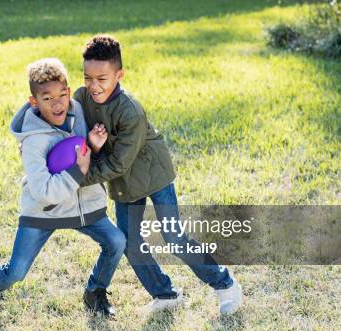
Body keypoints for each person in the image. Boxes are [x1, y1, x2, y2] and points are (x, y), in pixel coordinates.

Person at [75, 35, 243, 315]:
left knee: (173, 236)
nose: (93, 86)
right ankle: (165, 294)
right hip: (126, 182)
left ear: (119, 75)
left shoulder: (130, 110)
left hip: (153, 173)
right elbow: (57, 116)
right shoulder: (82, 98)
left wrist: (77, 177)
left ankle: (225, 284)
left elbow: (118, 163)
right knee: (130, 241)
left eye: (102, 78)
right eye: (87, 78)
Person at [0, 58, 126, 317]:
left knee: (116, 242)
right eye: (47, 98)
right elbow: (45, 191)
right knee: (17, 271)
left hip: (82, 206)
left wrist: (94, 145)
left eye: (62, 95)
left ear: (68, 91)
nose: (57, 103)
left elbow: (81, 151)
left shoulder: (77, 112)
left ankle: (95, 291)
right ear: (34, 102)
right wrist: (78, 170)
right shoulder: (33, 142)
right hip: (43, 211)